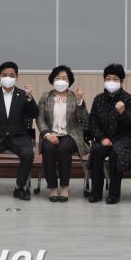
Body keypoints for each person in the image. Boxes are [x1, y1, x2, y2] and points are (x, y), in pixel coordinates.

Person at [0, 61, 38, 201]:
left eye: (11, 75)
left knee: (28, 153)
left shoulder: (23, 94)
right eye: (4, 75)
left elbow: (34, 114)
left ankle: (20, 187)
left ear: (17, 77)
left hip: (19, 137)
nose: (8, 78)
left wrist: (29, 97)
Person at [87, 63, 131, 204]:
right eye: (108, 78)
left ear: (121, 81)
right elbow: (93, 121)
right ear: (104, 80)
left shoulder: (128, 99)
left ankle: (114, 193)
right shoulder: (98, 99)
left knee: (116, 153)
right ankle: (96, 192)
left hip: (125, 139)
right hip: (104, 138)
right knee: (97, 151)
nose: (111, 81)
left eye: (115, 79)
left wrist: (123, 112)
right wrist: (102, 138)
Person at [36, 65, 88, 203]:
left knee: (64, 149)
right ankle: (53, 187)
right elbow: (40, 118)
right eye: (57, 78)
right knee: (48, 148)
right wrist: (47, 134)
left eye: (64, 78)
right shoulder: (46, 96)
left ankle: (64, 186)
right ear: (52, 80)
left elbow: (84, 120)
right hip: (50, 134)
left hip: (70, 134)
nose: (60, 81)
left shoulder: (74, 96)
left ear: (69, 81)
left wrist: (80, 101)